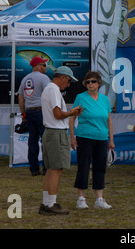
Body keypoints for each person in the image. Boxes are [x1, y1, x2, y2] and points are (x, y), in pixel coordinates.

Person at [38, 66, 83, 215]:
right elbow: (57, 114)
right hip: (56, 133)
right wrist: (72, 112)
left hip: (50, 132)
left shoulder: (49, 89)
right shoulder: (54, 90)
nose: (68, 85)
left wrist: (70, 112)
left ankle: (46, 203)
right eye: (68, 81)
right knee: (56, 169)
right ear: (63, 77)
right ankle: (51, 204)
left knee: (50, 169)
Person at [69, 71, 115, 209]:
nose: (90, 84)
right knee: (83, 166)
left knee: (100, 167)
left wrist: (111, 140)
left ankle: (99, 199)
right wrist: (72, 137)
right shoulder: (80, 98)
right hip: (84, 137)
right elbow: (72, 118)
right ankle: (81, 199)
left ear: (99, 83)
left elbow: (109, 120)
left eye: (93, 81)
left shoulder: (105, 99)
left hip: (102, 138)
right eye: (87, 82)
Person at [18, 56, 51, 176]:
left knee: (32, 141)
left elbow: (21, 98)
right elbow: (50, 95)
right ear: (37, 66)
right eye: (43, 65)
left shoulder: (24, 79)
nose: (45, 67)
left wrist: (23, 113)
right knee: (45, 141)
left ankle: (34, 169)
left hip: (29, 112)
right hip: (41, 112)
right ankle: (47, 168)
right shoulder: (44, 78)